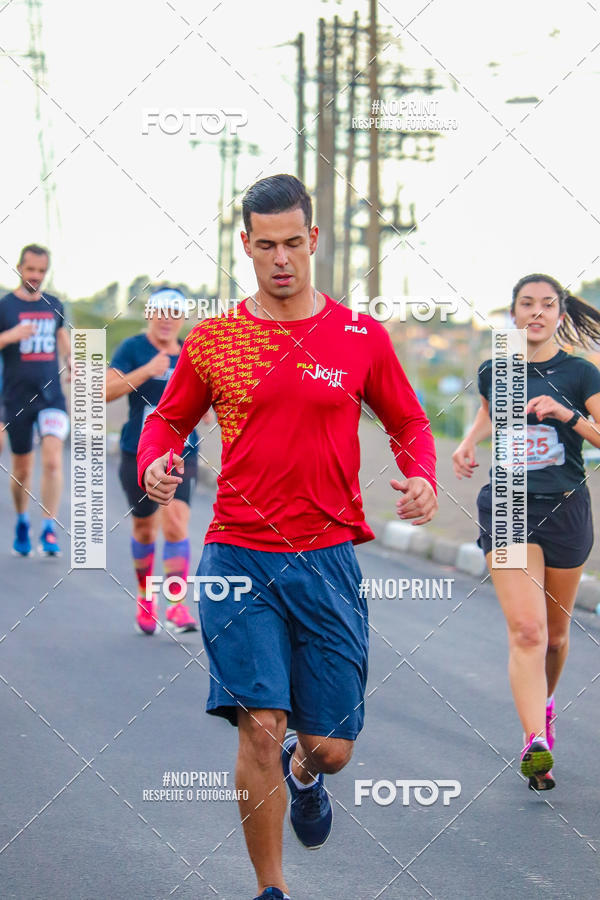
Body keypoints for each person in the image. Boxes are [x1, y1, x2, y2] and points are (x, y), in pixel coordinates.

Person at [137, 174, 438, 900]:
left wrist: (421, 475)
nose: (281, 258)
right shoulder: (216, 340)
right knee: (261, 726)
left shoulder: (361, 336)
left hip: (326, 559)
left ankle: (306, 774)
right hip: (238, 554)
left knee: (330, 747)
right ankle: (271, 890)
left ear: (314, 241)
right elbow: (167, 419)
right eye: (266, 245)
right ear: (246, 245)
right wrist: (155, 461)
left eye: (293, 243)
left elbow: (408, 421)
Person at [453, 274, 600, 791]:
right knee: (529, 632)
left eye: (547, 305)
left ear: (559, 315)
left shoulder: (581, 373)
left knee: (555, 638)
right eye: (526, 304)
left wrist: (568, 414)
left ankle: (546, 704)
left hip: (565, 510)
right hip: (509, 507)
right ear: (513, 314)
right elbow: (490, 412)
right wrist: (468, 442)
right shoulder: (496, 370)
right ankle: (535, 741)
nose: (536, 312)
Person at [106, 287, 203, 636]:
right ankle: (146, 597)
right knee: (145, 528)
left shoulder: (193, 352)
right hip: (138, 452)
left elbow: (209, 399)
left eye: (174, 313)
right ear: (149, 314)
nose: (166, 319)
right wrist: (148, 370)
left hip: (182, 454)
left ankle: (176, 604)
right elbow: (105, 391)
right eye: (160, 312)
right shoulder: (133, 349)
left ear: (182, 318)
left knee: (176, 523)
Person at [0, 244, 70, 556]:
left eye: (41, 271)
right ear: (19, 268)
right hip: (17, 399)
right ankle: (22, 520)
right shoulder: (5, 307)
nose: (36, 276)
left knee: (53, 460)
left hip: (51, 397)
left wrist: (72, 359)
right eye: (31, 270)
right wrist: (10, 336)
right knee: (22, 470)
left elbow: (61, 336)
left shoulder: (54, 304)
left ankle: (49, 528)